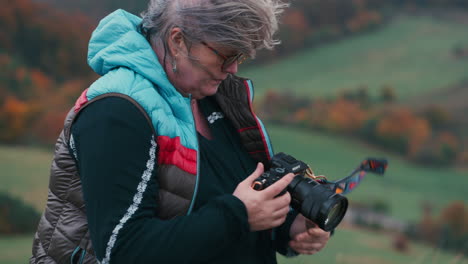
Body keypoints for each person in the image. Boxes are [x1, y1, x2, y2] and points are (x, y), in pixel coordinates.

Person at [31, 0, 330, 263]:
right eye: (226, 54)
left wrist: (288, 227)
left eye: (241, 56)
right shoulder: (116, 112)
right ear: (177, 41)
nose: (234, 69)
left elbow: (229, 199)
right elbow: (123, 250)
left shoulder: (217, 96)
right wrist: (238, 215)